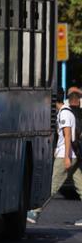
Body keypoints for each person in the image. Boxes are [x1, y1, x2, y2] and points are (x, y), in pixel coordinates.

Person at [28, 87, 82, 225]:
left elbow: (68, 135)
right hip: (70, 154)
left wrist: (66, 156)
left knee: (52, 185)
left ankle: (35, 212)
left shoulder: (64, 113)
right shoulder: (66, 112)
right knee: (81, 186)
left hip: (66, 155)